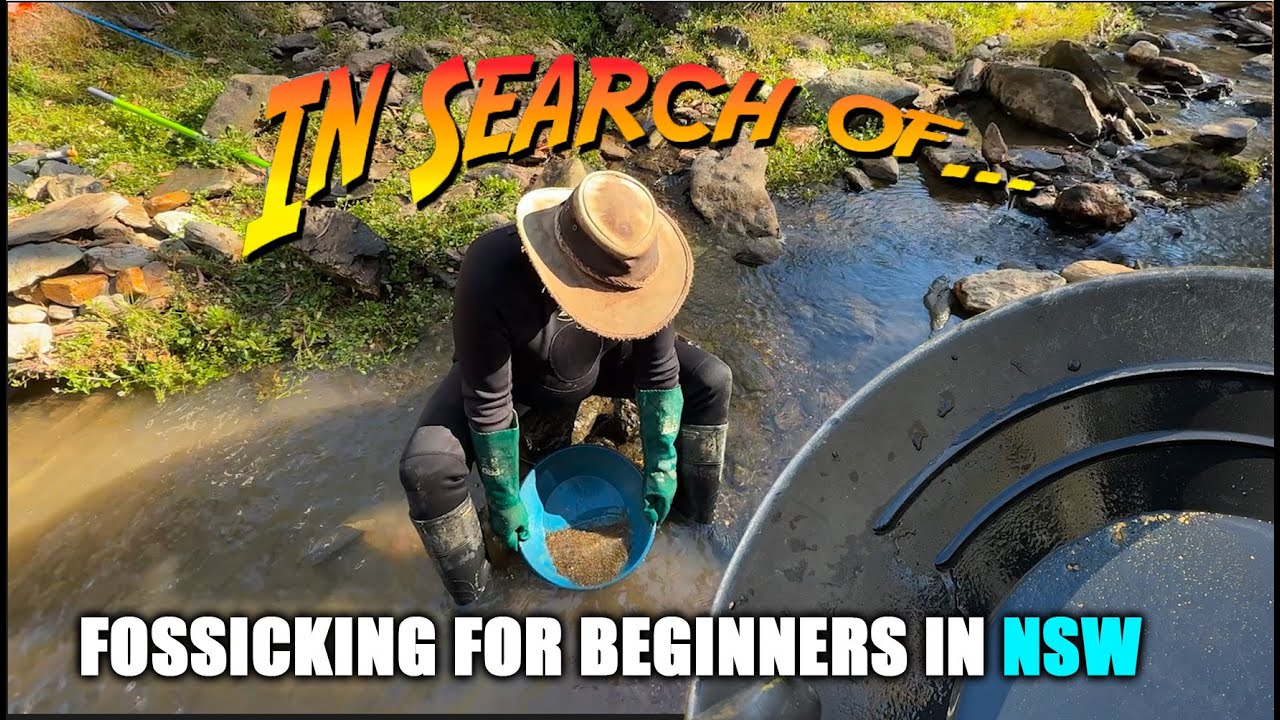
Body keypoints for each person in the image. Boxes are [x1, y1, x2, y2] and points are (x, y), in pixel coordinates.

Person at [399, 169, 734, 606]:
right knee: (427, 470)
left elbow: (658, 369)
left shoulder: (640, 261)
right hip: (518, 376)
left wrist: (662, 464)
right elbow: (488, 399)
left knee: (712, 380)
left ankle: (696, 531)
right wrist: (502, 497)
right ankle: (479, 604)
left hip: (604, 359)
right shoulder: (492, 268)